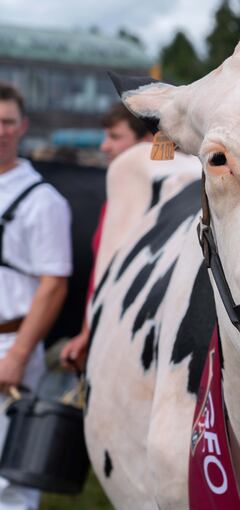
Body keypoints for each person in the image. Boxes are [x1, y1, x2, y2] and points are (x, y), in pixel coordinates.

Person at [0, 82, 72, 510]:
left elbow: (54, 285)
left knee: (8, 480)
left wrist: (19, 355)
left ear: (22, 127)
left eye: (7, 121)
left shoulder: (42, 201)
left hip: (9, 345)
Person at [59, 103, 152, 370]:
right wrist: (88, 334)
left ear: (148, 140)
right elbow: (99, 277)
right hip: (108, 339)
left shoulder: (167, 200)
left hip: (137, 345)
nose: (104, 147)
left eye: (115, 137)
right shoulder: (114, 199)